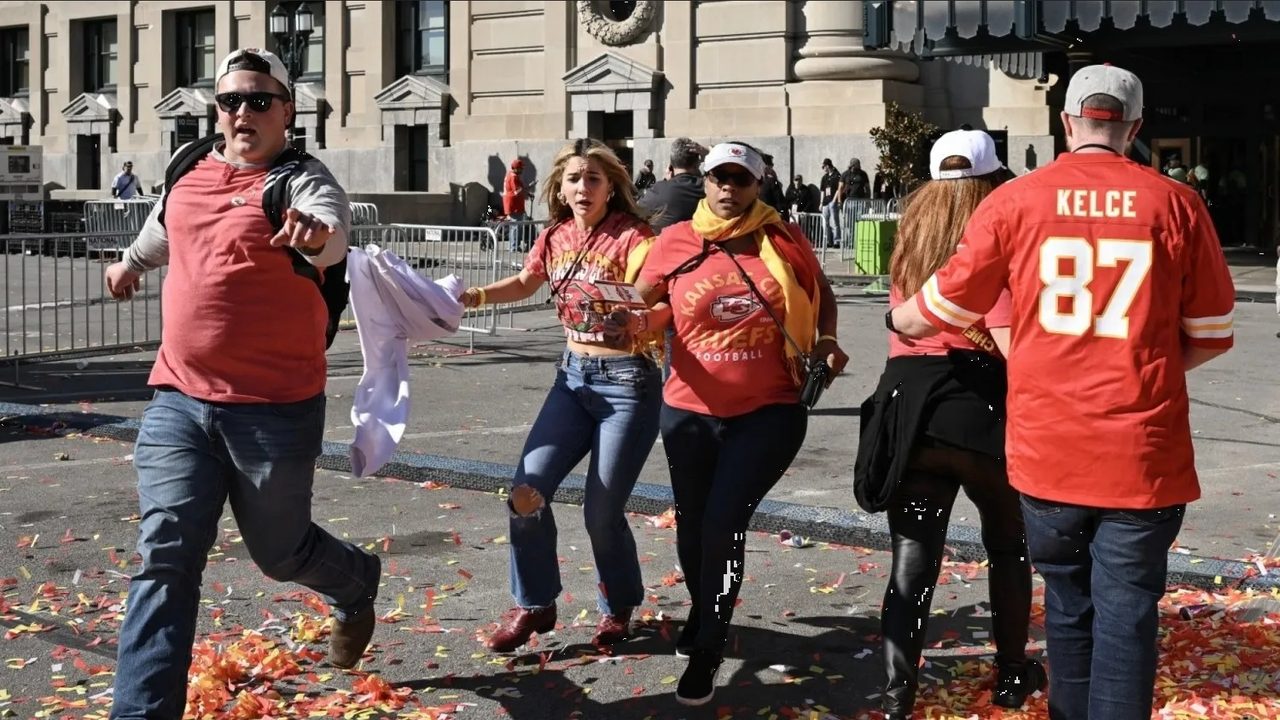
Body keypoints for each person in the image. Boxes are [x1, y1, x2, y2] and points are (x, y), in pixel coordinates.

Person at [887, 64, 1236, 720]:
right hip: (1142, 454)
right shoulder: (1175, 202)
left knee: (1068, 610)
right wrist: (1144, 366)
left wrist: (898, 320)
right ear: (1132, 127)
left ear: (1068, 121)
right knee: (1127, 620)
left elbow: (940, 305)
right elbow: (1214, 334)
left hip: (1048, 453)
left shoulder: (1016, 201)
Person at [102, 48, 379, 720]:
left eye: (260, 99)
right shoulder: (189, 167)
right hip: (179, 400)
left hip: (273, 412)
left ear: (287, 110)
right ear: (216, 111)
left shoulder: (301, 183)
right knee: (164, 560)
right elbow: (164, 228)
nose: (243, 112)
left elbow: (332, 233)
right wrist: (127, 265)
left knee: (280, 554)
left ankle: (355, 580)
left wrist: (314, 237)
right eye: (230, 101)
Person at [634, 141, 849, 707]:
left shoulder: (782, 238)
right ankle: (707, 611)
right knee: (692, 524)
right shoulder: (675, 240)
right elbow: (651, 304)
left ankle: (708, 643)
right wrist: (631, 319)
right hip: (688, 411)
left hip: (770, 411)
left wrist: (825, 340)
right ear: (702, 181)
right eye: (718, 178)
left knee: (723, 523)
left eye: (741, 180)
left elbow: (821, 295)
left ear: (759, 185)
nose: (729, 189)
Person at [855, 130, 1043, 720]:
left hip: (910, 408)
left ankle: (896, 693)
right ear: (992, 181)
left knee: (911, 561)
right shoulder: (992, 235)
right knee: (1008, 545)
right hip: (978, 404)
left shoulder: (912, 235)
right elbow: (1009, 332)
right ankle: (1012, 673)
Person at [459, 138, 670, 653]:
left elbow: (657, 292)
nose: (583, 188)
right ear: (559, 186)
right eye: (574, 179)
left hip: (627, 384)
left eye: (594, 179)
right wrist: (477, 296)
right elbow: (529, 281)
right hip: (572, 379)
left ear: (611, 186)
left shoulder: (635, 237)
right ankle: (536, 604)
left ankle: (618, 607)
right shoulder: (553, 236)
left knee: (601, 511)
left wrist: (639, 315)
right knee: (524, 494)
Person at [639, 138, 708, 233]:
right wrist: (708, 154)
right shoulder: (708, 187)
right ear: (697, 163)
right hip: (701, 245)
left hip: (665, 246)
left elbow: (637, 210)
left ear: (671, 165)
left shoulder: (658, 190)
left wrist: (664, 181)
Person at [503, 158, 530, 253]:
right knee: (516, 226)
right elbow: (517, 191)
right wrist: (526, 188)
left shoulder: (509, 175)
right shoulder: (514, 177)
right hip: (514, 205)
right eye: (520, 168)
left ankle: (513, 246)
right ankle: (513, 247)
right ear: (516, 168)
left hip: (514, 204)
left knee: (514, 226)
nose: (522, 170)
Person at [819, 158, 841, 247]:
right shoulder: (824, 177)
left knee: (835, 222)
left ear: (827, 166)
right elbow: (822, 191)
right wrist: (821, 203)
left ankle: (837, 241)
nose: (823, 169)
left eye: (823, 167)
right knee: (826, 222)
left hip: (832, 201)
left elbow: (838, 189)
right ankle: (828, 240)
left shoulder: (837, 175)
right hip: (825, 202)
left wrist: (834, 200)